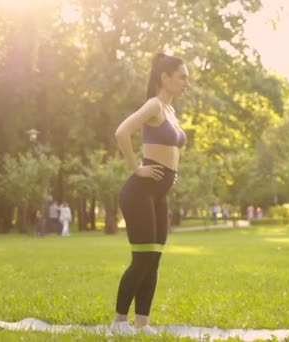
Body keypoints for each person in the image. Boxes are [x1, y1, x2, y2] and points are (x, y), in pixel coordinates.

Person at [112, 52, 189, 335]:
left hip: (158, 195)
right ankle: (119, 322)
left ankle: (142, 323)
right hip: (140, 193)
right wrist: (136, 169)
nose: (186, 83)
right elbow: (122, 132)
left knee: (154, 258)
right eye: (182, 77)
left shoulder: (170, 111)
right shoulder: (154, 105)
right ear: (164, 78)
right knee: (142, 258)